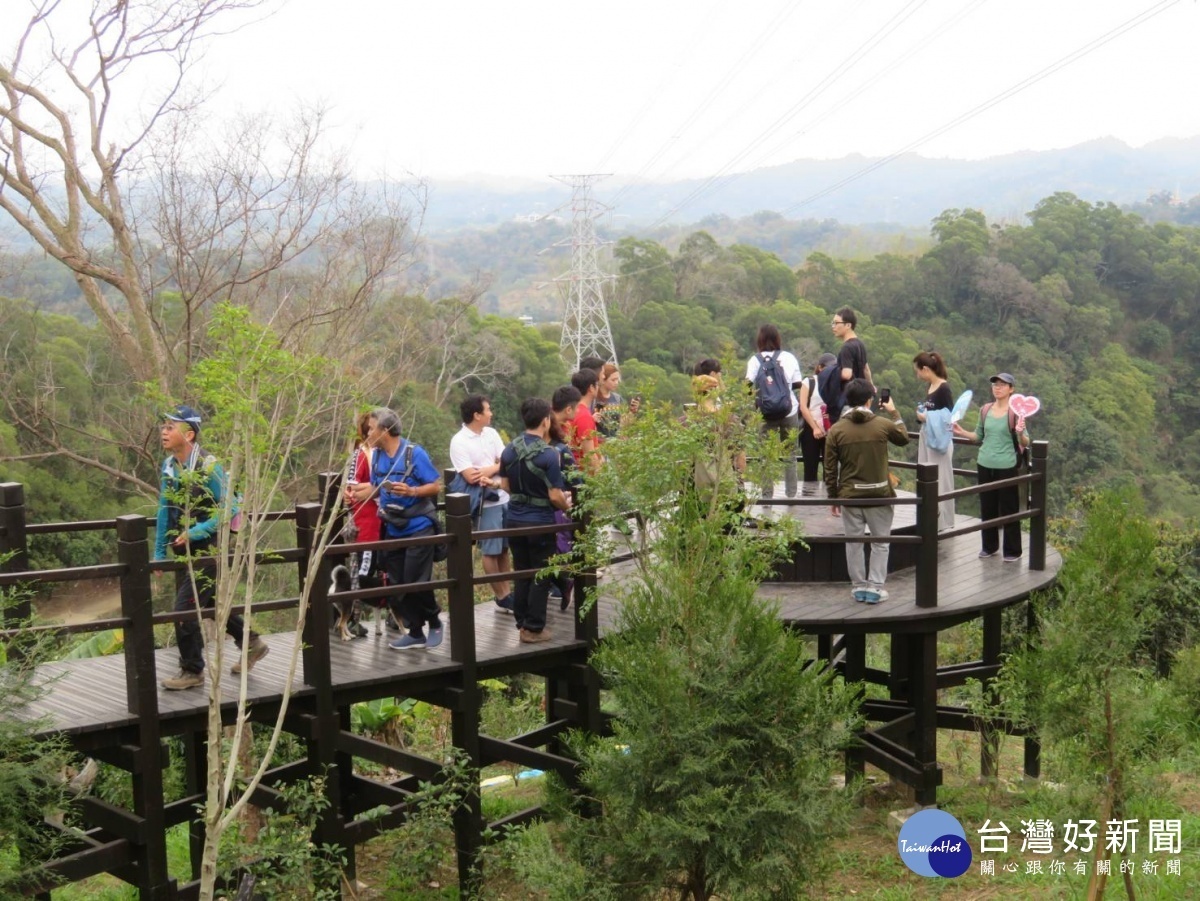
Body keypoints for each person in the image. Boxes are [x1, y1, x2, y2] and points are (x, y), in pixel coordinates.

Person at [155, 405, 267, 690]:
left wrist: (196, 531)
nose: (164, 431)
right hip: (183, 549)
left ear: (189, 434)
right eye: (164, 426)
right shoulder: (169, 467)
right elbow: (164, 510)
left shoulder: (208, 466)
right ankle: (251, 642)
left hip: (209, 549)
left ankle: (192, 670)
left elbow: (227, 509)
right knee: (209, 603)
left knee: (184, 610)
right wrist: (158, 553)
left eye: (171, 426)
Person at [346, 408, 444, 650]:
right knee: (398, 582)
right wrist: (364, 491)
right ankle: (414, 631)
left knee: (415, 579)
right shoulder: (377, 455)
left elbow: (435, 486)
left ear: (385, 430)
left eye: (371, 428)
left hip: (418, 526)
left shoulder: (414, 453)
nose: (367, 432)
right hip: (393, 526)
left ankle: (434, 621)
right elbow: (379, 485)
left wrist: (411, 491)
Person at [824, 379, 910, 603]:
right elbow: (903, 438)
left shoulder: (836, 430)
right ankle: (875, 587)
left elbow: (830, 469)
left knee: (854, 542)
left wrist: (833, 497)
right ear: (869, 400)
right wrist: (894, 412)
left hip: (850, 496)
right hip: (880, 494)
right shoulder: (881, 424)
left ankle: (858, 586)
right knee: (880, 542)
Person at [500, 398, 572, 643]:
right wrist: (567, 506)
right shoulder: (549, 454)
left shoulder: (508, 449)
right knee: (541, 574)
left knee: (522, 572)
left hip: (514, 520)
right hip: (540, 522)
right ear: (545, 421)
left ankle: (522, 624)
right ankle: (534, 628)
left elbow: (505, 485)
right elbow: (555, 495)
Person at [952, 373, 1031, 561]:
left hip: (1007, 465)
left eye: (1003, 385)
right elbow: (978, 437)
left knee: (1009, 508)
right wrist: (961, 432)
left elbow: (1026, 441)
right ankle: (989, 546)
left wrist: (1020, 433)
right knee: (987, 507)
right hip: (984, 463)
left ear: (1011, 389)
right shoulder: (985, 410)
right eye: (995, 384)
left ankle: (1012, 551)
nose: (998, 387)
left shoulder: (1015, 413)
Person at [449, 395, 513, 614]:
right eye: (488, 410)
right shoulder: (459, 441)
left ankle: (507, 593)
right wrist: (495, 466)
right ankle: (502, 595)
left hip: (503, 495)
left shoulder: (491, 433)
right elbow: (470, 476)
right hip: (486, 503)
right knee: (490, 550)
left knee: (503, 549)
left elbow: (507, 459)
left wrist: (488, 469)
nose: (491, 413)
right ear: (476, 415)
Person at [745, 324, 802, 499]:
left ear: (759, 340)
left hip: (765, 412)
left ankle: (767, 496)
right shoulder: (789, 357)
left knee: (765, 456)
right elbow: (798, 383)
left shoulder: (755, 360)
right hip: (789, 410)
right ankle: (791, 495)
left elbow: (747, 386)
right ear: (778, 339)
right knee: (790, 454)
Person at [912, 351, 956, 531]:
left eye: (918, 371)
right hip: (927, 436)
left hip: (939, 441)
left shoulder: (944, 388)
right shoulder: (930, 386)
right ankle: (930, 518)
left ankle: (942, 521)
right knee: (926, 476)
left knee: (941, 479)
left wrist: (927, 417)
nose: (917, 375)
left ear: (926, 369)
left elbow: (950, 417)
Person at [823, 307, 873, 424]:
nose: (833, 327)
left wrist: (828, 374)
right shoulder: (859, 344)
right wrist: (870, 388)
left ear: (848, 325)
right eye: (833, 323)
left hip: (848, 401)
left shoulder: (847, 347)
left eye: (836, 323)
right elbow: (866, 369)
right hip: (862, 400)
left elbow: (846, 374)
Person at [798, 352, 838, 484]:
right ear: (820, 367)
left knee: (830, 469)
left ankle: (829, 499)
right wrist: (815, 427)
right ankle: (809, 501)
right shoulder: (809, 382)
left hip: (831, 428)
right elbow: (803, 407)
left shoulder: (837, 383)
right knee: (810, 467)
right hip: (810, 429)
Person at [567, 369, 602, 474]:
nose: (598, 387)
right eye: (597, 384)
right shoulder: (584, 416)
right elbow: (589, 454)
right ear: (591, 388)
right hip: (584, 475)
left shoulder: (572, 410)